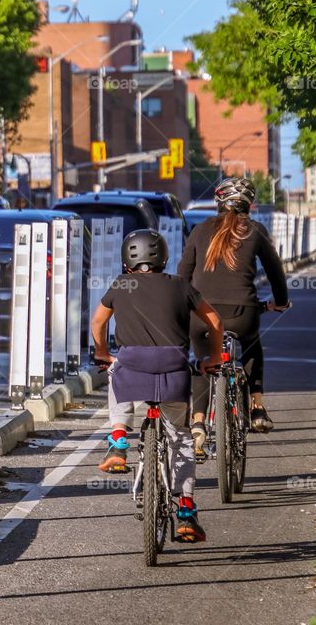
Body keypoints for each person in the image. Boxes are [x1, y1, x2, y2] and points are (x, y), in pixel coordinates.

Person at [93, 229, 223, 543]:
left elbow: (98, 322)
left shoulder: (121, 284)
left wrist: (101, 353)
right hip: (174, 368)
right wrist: (213, 357)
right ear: (164, 258)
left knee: (115, 370)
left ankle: (119, 439)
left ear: (127, 261)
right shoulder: (181, 285)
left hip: (133, 366)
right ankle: (187, 511)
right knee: (180, 439)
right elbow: (215, 321)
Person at [179, 177, 290, 449]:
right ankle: (257, 408)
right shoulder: (256, 230)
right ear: (248, 204)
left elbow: (183, 276)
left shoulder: (200, 230)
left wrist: (181, 309)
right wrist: (281, 301)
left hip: (202, 316)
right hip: (243, 314)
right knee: (252, 345)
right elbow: (275, 272)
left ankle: (198, 423)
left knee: (203, 359)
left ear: (218, 202)